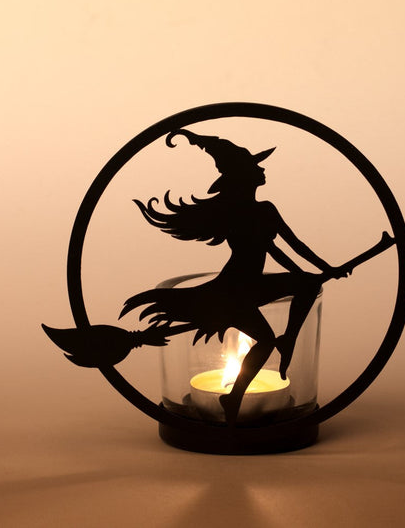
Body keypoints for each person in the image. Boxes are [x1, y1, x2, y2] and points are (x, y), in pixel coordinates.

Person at [119, 129, 349, 424]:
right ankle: (237, 393)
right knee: (270, 335)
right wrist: (319, 272)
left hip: (251, 285)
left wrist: (325, 270)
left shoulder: (266, 210)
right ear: (243, 176)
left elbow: (287, 248)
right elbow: (280, 250)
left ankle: (288, 341)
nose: (262, 170)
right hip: (234, 290)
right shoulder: (238, 213)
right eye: (256, 167)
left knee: (307, 285)